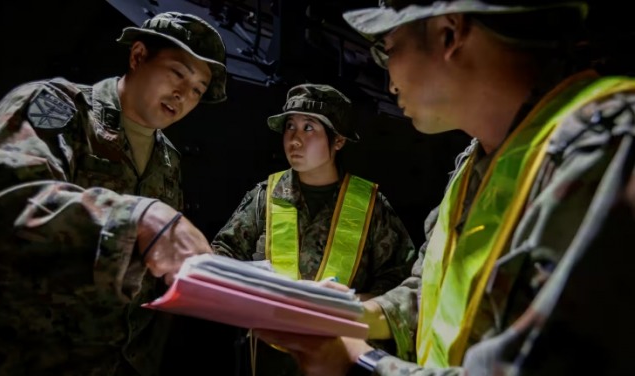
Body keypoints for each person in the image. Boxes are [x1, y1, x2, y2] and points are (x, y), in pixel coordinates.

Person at [253, 0, 635, 375]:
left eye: (389, 50)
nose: (387, 78)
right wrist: (356, 313)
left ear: (448, 34)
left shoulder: (608, 146)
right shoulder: (476, 161)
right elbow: (434, 291)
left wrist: (356, 359)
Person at [0, 11, 227, 375]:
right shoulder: (61, 107)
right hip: (29, 360)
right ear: (137, 57)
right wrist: (136, 218)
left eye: (198, 89)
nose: (184, 94)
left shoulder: (168, 159)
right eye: (177, 73)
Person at [211, 83, 416, 375]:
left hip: (337, 358)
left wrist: (353, 305)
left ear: (338, 141)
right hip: (270, 357)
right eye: (290, 126)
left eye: (309, 128)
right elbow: (222, 256)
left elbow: (401, 280)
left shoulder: (370, 205)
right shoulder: (265, 196)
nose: (294, 139)